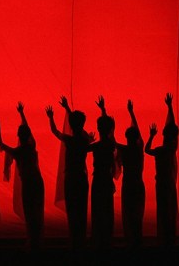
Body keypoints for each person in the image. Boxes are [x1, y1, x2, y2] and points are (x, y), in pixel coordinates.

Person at [0, 102, 44, 250]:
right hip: (37, 180)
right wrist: (22, 114)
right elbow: (27, 130)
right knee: (36, 210)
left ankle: (32, 239)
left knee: (29, 211)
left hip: (29, 184)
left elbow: (1, 144)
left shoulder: (18, 152)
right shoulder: (31, 147)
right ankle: (36, 239)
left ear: (19, 136)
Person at [47, 96, 89, 250]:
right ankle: (81, 241)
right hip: (81, 178)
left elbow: (55, 131)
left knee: (72, 211)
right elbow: (77, 126)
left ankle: (74, 241)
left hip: (71, 178)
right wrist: (67, 109)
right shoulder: (84, 139)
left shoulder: (70, 141)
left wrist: (51, 117)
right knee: (81, 210)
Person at [144, 93, 178, 247]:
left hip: (162, 183)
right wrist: (170, 107)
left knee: (163, 209)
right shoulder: (171, 148)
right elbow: (172, 128)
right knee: (169, 208)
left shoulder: (162, 149)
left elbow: (146, 150)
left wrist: (151, 136)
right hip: (168, 183)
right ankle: (169, 237)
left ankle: (164, 237)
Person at [86, 95, 117, 249]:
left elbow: (84, 148)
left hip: (98, 179)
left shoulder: (96, 146)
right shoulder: (111, 144)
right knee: (107, 209)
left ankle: (98, 238)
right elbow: (109, 129)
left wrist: (88, 140)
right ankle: (106, 238)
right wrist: (103, 110)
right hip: (106, 179)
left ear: (98, 129)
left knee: (98, 209)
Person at [116, 99, 144, 249]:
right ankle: (137, 241)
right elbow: (138, 134)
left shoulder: (125, 150)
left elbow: (111, 141)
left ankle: (131, 240)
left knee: (128, 212)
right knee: (137, 213)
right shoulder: (138, 150)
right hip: (137, 184)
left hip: (128, 185)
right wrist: (131, 113)